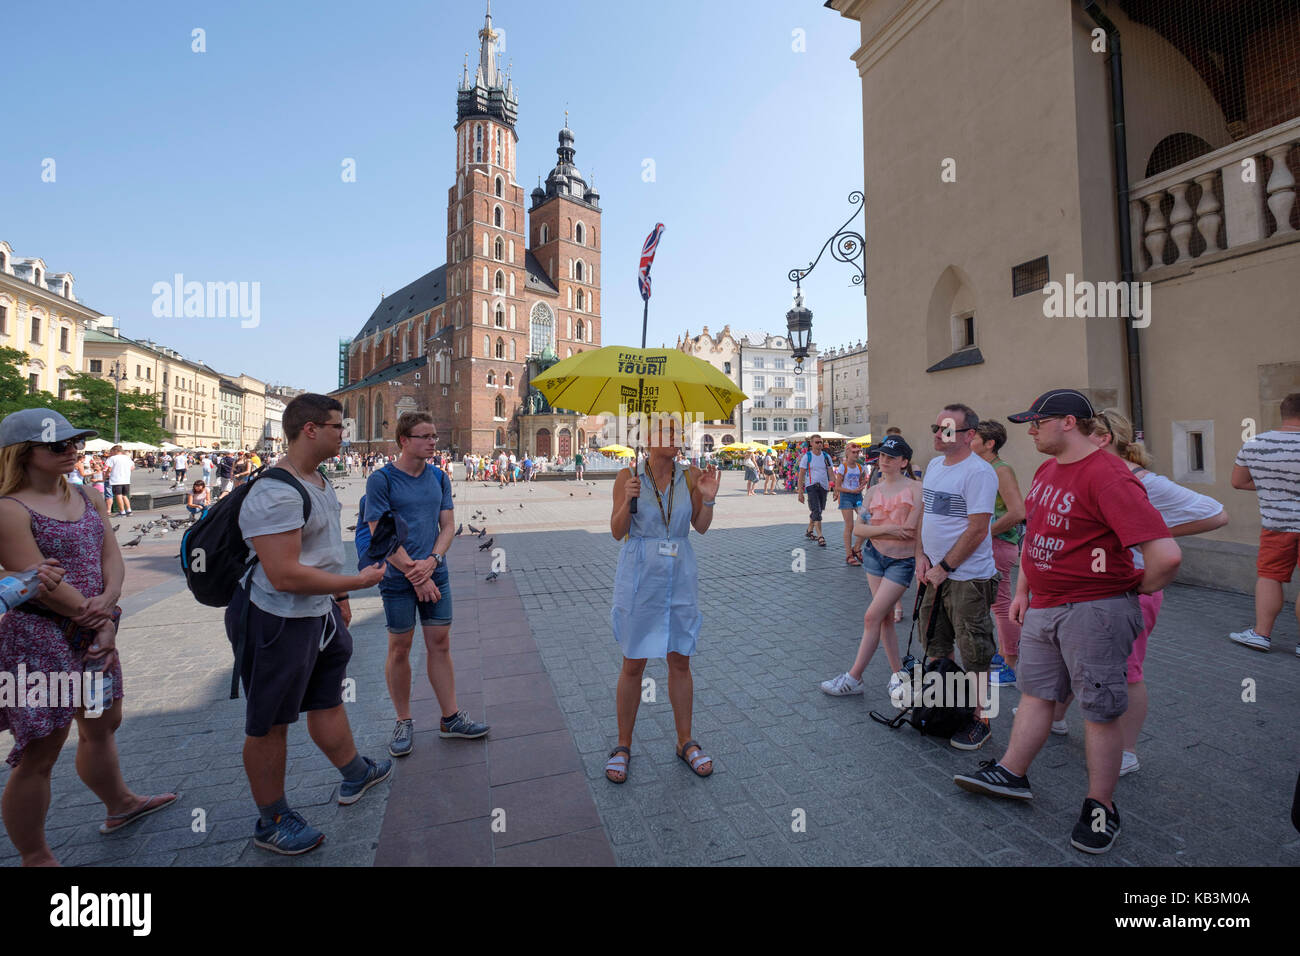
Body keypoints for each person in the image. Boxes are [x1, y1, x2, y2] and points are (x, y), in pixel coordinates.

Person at [953, 389, 1181, 855]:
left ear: (1070, 422)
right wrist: (1022, 591)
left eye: (1038, 422)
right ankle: (1013, 773)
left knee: (1098, 712)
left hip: (1094, 609)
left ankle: (1101, 807)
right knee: (1037, 694)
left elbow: (1167, 556)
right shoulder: (1048, 470)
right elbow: (1036, 532)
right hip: (1045, 606)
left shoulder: (1109, 475)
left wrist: (1129, 590)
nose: (1030, 430)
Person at [0, 409, 178, 865]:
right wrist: (98, 619)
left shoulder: (84, 494)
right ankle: (35, 855)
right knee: (40, 753)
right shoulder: (9, 509)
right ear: (24, 453)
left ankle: (120, 804)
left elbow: (112, 556)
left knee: (101, 726)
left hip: (95, 631)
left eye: (74, 442)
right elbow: (40, 580)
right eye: (59, 445)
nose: (73, 450)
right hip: (42, 639)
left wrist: (111, 601)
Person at [227, 393, 391, 856]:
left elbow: (319, 551)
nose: (345, 434)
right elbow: (284, 574)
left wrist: (338, 594)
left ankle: (355, 771)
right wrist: (355, 582)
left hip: (318, 613)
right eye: (338, 426)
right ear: (310, 429)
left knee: (327, 697)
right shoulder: (276, 491)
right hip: (275, 619)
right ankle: (272, 818)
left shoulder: (317, 479)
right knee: (270, 723)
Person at [1045, 408, 1225, 774]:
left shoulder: (1141, 480)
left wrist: (1152, 535)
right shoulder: (1086, 472)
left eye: (1087, 431)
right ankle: (1055, 718)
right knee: (1068, 657)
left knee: (1127, 670)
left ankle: (1126, 751)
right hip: (1088, 588)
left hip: (1131, 589)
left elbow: (1217, 513)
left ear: (1104, 438)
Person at [605, 415, 721, 784]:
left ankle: (685, 741)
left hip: (680, 575)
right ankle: (623, 745)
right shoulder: (629, 476)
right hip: (640, 576)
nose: (676, 438)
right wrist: (628, 500)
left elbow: (700, 527)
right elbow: (616, 531)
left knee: (680, 660)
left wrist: (708, 499)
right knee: (633, 663)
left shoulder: (690, 475)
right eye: (668, 432)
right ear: (649, 439)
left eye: (678, 432)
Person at [366, 412, 487, 758]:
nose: (433, 441)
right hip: (397, 577)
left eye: (435, 435)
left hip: (435, 571)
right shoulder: (382, 480)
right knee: (400, 647)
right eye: (425, 436)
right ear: (404, 440)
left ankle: (450, 718)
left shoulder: (439, 477)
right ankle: (404, 720)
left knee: (440, 643)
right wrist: (415, 575)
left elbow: (447, 526)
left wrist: (432, 563)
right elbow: (380, 533)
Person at [913, 404, 1001, 751]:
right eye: (936, 426)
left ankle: (982, 720)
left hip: (968, 577)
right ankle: (946, 710)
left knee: (975, 652)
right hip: (934, 573)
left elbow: (978, 529)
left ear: (969, 436)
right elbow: (927, 517)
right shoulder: (935, 466)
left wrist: (944, 567)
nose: (937, 433)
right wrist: (921, 556)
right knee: (936, 644)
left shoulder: (979, 473)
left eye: (946, 429)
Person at [820, 435, 920, 697]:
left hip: (902, 562)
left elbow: (910, 532)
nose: (884, 461)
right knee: (884, 617)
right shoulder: (874, 490)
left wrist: (877, 530)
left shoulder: (916, 489)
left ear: (904, 461)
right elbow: (860, 528)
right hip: (874, 557)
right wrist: (886, 529)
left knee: (871, 616)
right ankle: (898, 674)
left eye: (891, 457)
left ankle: (854, 677)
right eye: (882, 456)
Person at [1229, 392, 1300, 655]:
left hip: (1276, 525)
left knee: (1270, 577)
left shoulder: (1255, 443)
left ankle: (1261, 634)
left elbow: (1238, 482)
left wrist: (1274, 491)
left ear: (1283, 414)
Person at [971, 420, 1027, 686]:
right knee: (990, 603)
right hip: (987, 544)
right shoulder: (982, 468)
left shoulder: (1000, 469)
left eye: (974, 437)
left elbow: (1018, 512)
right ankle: (1002, 654)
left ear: (989, 443)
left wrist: (985, 532)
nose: (968, 441)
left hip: (999, 544)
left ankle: (1011, 663)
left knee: (1001, 605)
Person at [798, 434, 836, 547]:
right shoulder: (807, 457)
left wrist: (836, 488)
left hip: (824, 487)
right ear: (811, 443)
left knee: (818, 510)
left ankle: (809, 530)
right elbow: (801, 475)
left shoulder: (826, 457)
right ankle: (820, 536)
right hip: (811, 486)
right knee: (817, 510)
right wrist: (800, 492)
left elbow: (831, 473)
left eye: (821, 442)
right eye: (817, 442)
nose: (819, 444)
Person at [833, 442, 868, 565]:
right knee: (850, 526)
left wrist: (862, 484)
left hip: (857, 496)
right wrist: (851, 491)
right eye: (853, 452)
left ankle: (857, 548)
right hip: (846, 497)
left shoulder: (860, 467)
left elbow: (859, 481)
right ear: (847, 453)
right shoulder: (843, 467)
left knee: (867, 520)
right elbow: (837, 486)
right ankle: (849, 555)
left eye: (858, 452)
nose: (856, 454)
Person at [105, 444, 134, 517]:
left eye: (111, 451)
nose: (111, 453)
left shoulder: (112, 458)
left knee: (118, 495)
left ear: (115, 451)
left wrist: (106, 475)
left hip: (116, 480)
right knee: (124, 495)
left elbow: (109, 469)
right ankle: (129, 510)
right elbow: (132, 467)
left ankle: (122, 512)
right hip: (126, 479)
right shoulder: (127, 458)